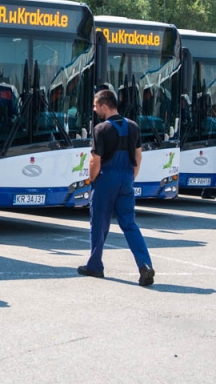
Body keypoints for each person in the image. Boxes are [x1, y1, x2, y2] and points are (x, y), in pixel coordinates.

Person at [77, 88, 156, 287]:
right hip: (127, 177)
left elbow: (95, 161)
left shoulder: (101, 129)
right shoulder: (134, 127)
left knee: (99, 223)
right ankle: (145, 265)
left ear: (105, 106)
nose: (95, 110)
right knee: (129, 224)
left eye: (96, 106)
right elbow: (138, 156)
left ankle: (95, 265)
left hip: (106, 179)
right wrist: (131, 177)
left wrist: (93, 181)